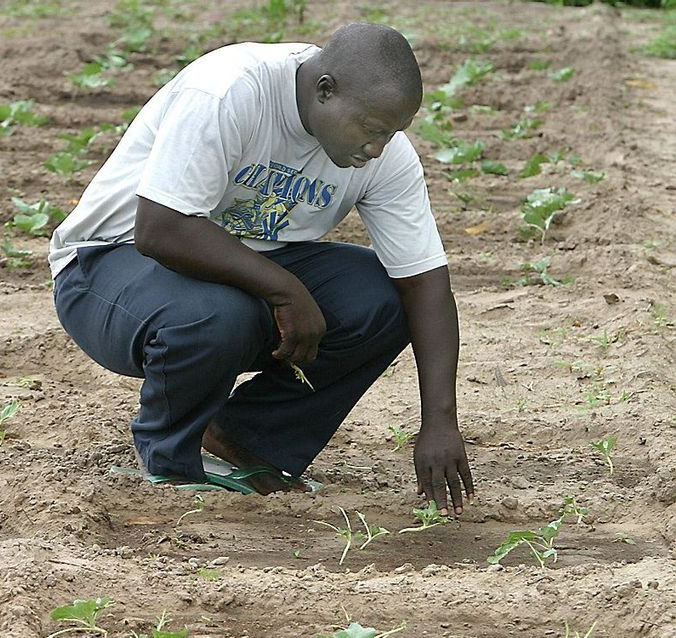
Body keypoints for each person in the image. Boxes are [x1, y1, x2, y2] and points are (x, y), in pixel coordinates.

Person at [49, 23, 475, 516]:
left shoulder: (384, 154)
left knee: (383, 300)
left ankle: (246, 437)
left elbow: (424, 283)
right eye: (372, 129)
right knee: (215, 314)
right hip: (108, 264)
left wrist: (440, 420)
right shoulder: (230, 90)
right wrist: (284, 289)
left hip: (245, 268)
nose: (378, 147)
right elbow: (161, 229)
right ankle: (167, 459)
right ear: (325, 90)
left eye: (392, 133)